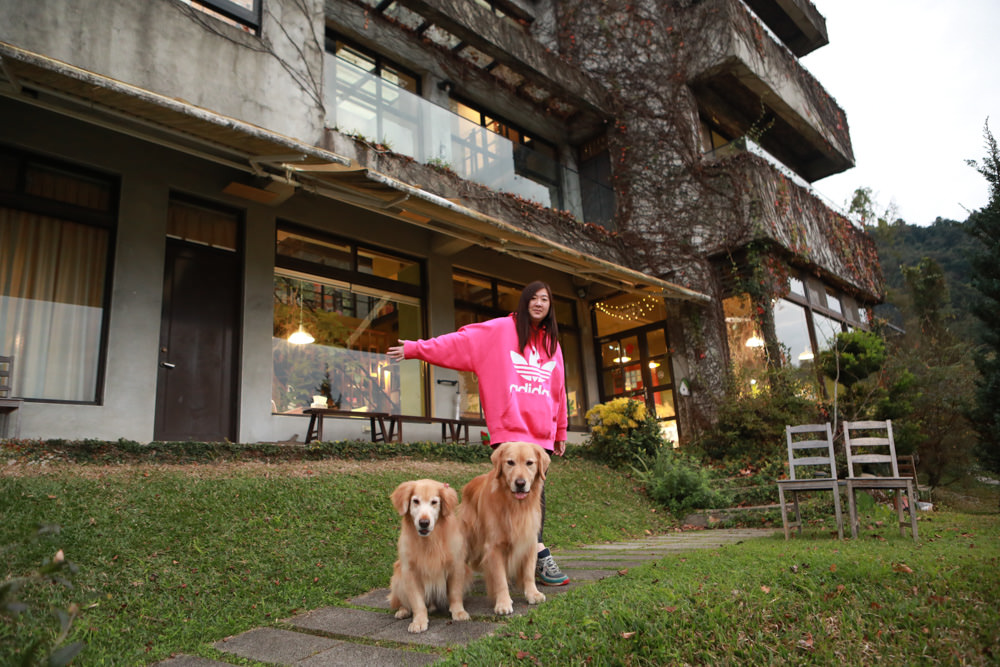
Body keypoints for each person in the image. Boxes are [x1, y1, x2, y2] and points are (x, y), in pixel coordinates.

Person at [387, 280, 570, 586]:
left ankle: (528, 553)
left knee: (535, 494)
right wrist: (414, 349)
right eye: (534, 298)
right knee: (506, 491)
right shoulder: (499, 330)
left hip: (540, 432)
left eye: (545, 300)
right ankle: (521, 551)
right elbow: (457, 344)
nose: (539, 304)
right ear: (524, 302)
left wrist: (560, 429)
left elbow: (559, 390)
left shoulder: (553, 344)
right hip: (511, 426)